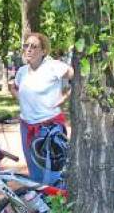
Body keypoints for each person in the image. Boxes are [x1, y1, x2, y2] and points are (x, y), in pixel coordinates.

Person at [9, 32, 74, 183]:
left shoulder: (53, 66)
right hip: (27, 127)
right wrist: (23, 99)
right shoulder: (22, 71)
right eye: (26, 46)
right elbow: (14, 87)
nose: (29, 49)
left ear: (44, 51)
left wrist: (65, 97)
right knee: (35, 174)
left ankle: (54, 205)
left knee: (52, 175)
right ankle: (41, 205)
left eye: (34, 46)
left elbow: (74, 75)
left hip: (49, 127)